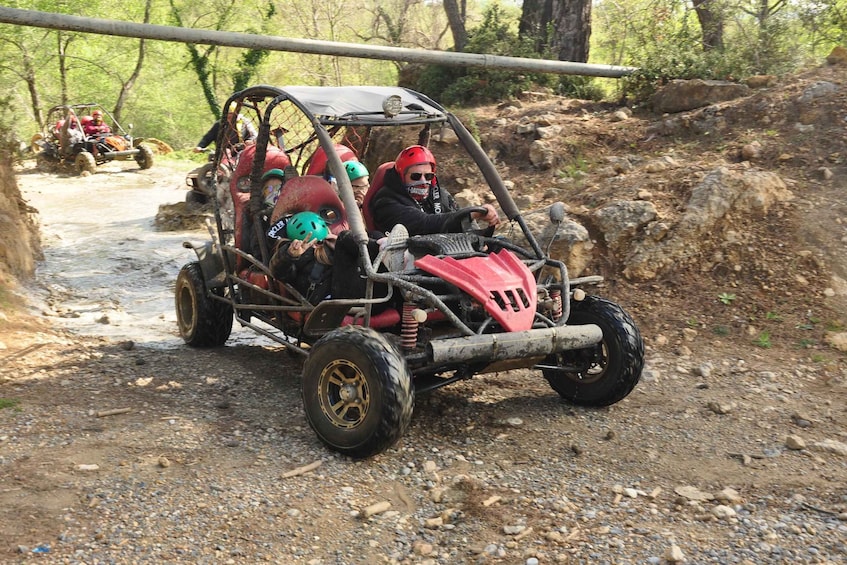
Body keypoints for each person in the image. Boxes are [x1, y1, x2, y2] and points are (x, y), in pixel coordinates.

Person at [369, 145, 499, 236]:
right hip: (407, 263)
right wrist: (471, 213)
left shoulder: (440, 195)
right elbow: (424, 224)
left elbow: (463, 223)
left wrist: (480, 235)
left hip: (448, 254)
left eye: (428, 176)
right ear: (401, 176)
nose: (423, 181)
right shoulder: (386, 202)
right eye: (416, 176)